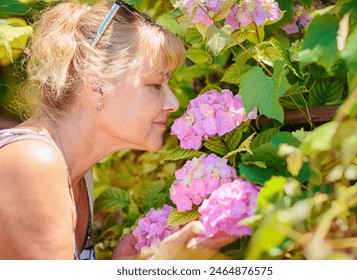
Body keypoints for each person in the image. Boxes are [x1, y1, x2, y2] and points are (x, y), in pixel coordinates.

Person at [0, 0, 233, 260]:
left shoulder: (74, 175)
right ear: (97, 85)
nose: (173, 104)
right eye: (156, 84)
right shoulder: (32, 163)